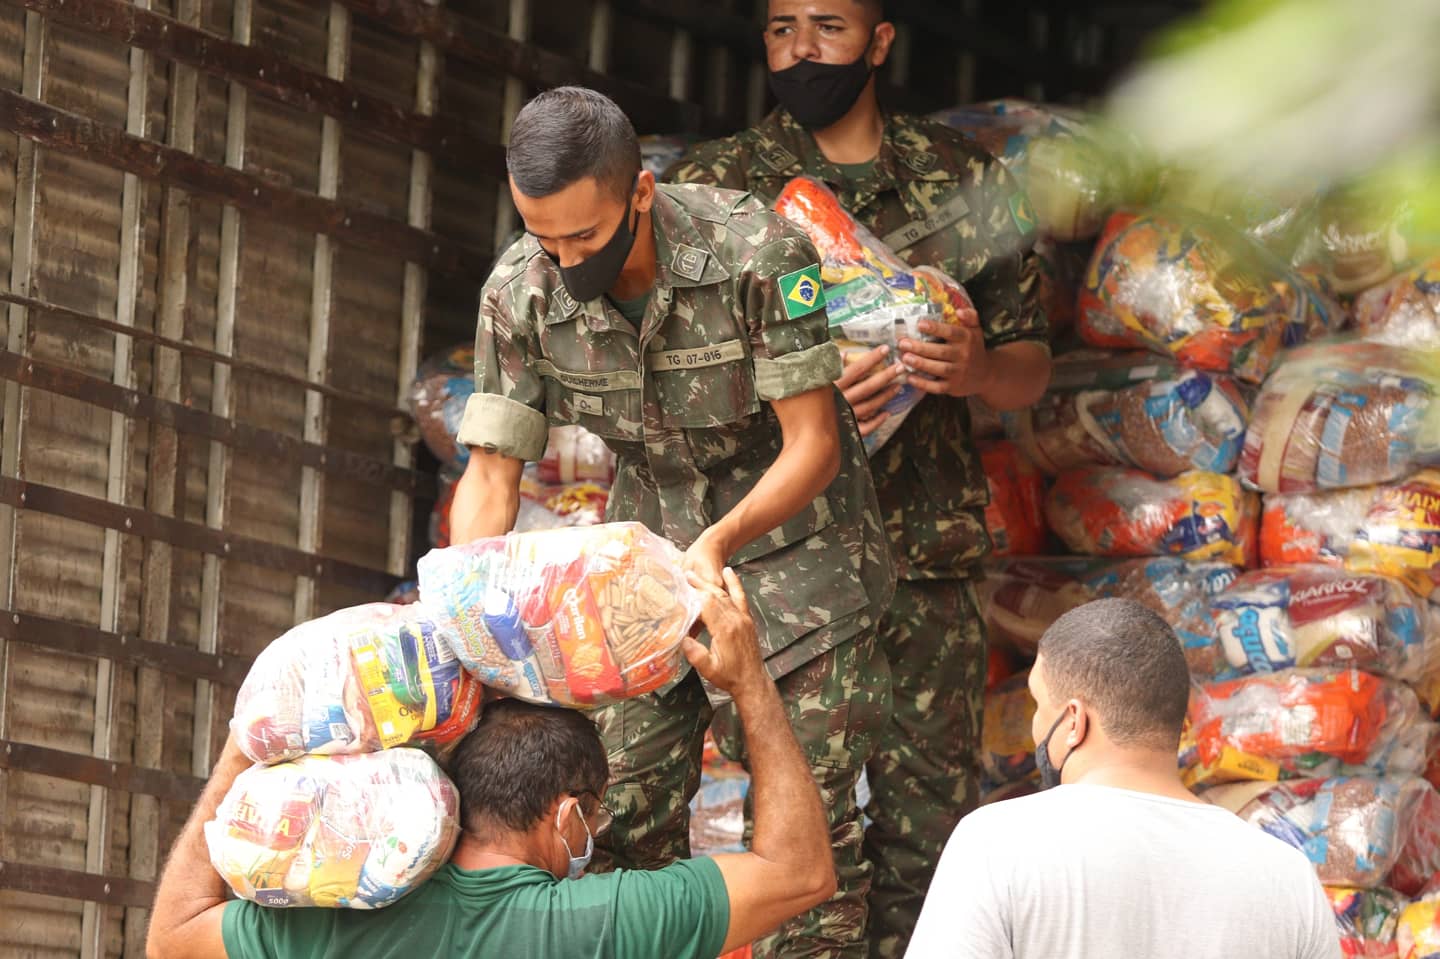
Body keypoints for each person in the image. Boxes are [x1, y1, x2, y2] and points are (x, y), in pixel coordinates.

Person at [448, 86, 894, 959]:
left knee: (806, 839)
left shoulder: (755, 251)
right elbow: (492, 472)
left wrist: (719, 542)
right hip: (641, 572)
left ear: (640, 193)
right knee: (609, 821)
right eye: (544, 237)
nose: (566, 259)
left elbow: (815, 444)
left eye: (585, 237)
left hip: (801, 564)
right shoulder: (519, 292)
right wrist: (468, 618)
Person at [666, 2, 1052, 953]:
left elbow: (1032, 364)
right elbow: (663, 367)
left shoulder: (963, 181)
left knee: (931, 833)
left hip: (924, 554)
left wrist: (976, 373)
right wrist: (798, 380)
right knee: (800, 829)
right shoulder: (714, 187)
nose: (801, 50)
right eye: (781, 29)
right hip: (781, 564)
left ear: (880, 43)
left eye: (828, 28)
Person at [145, 569, 841, 959]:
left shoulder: (336, 919)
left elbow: (171, 939)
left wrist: (248, 746)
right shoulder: (595, 923)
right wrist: (749, 680)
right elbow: (801, 871)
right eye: (592, 816)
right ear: (568, 813)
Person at [904, 598, 1342, 959]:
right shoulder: (1287, 876)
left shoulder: (996, 842)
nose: (1036, 727)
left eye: (1038, 704)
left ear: (1074, 720)